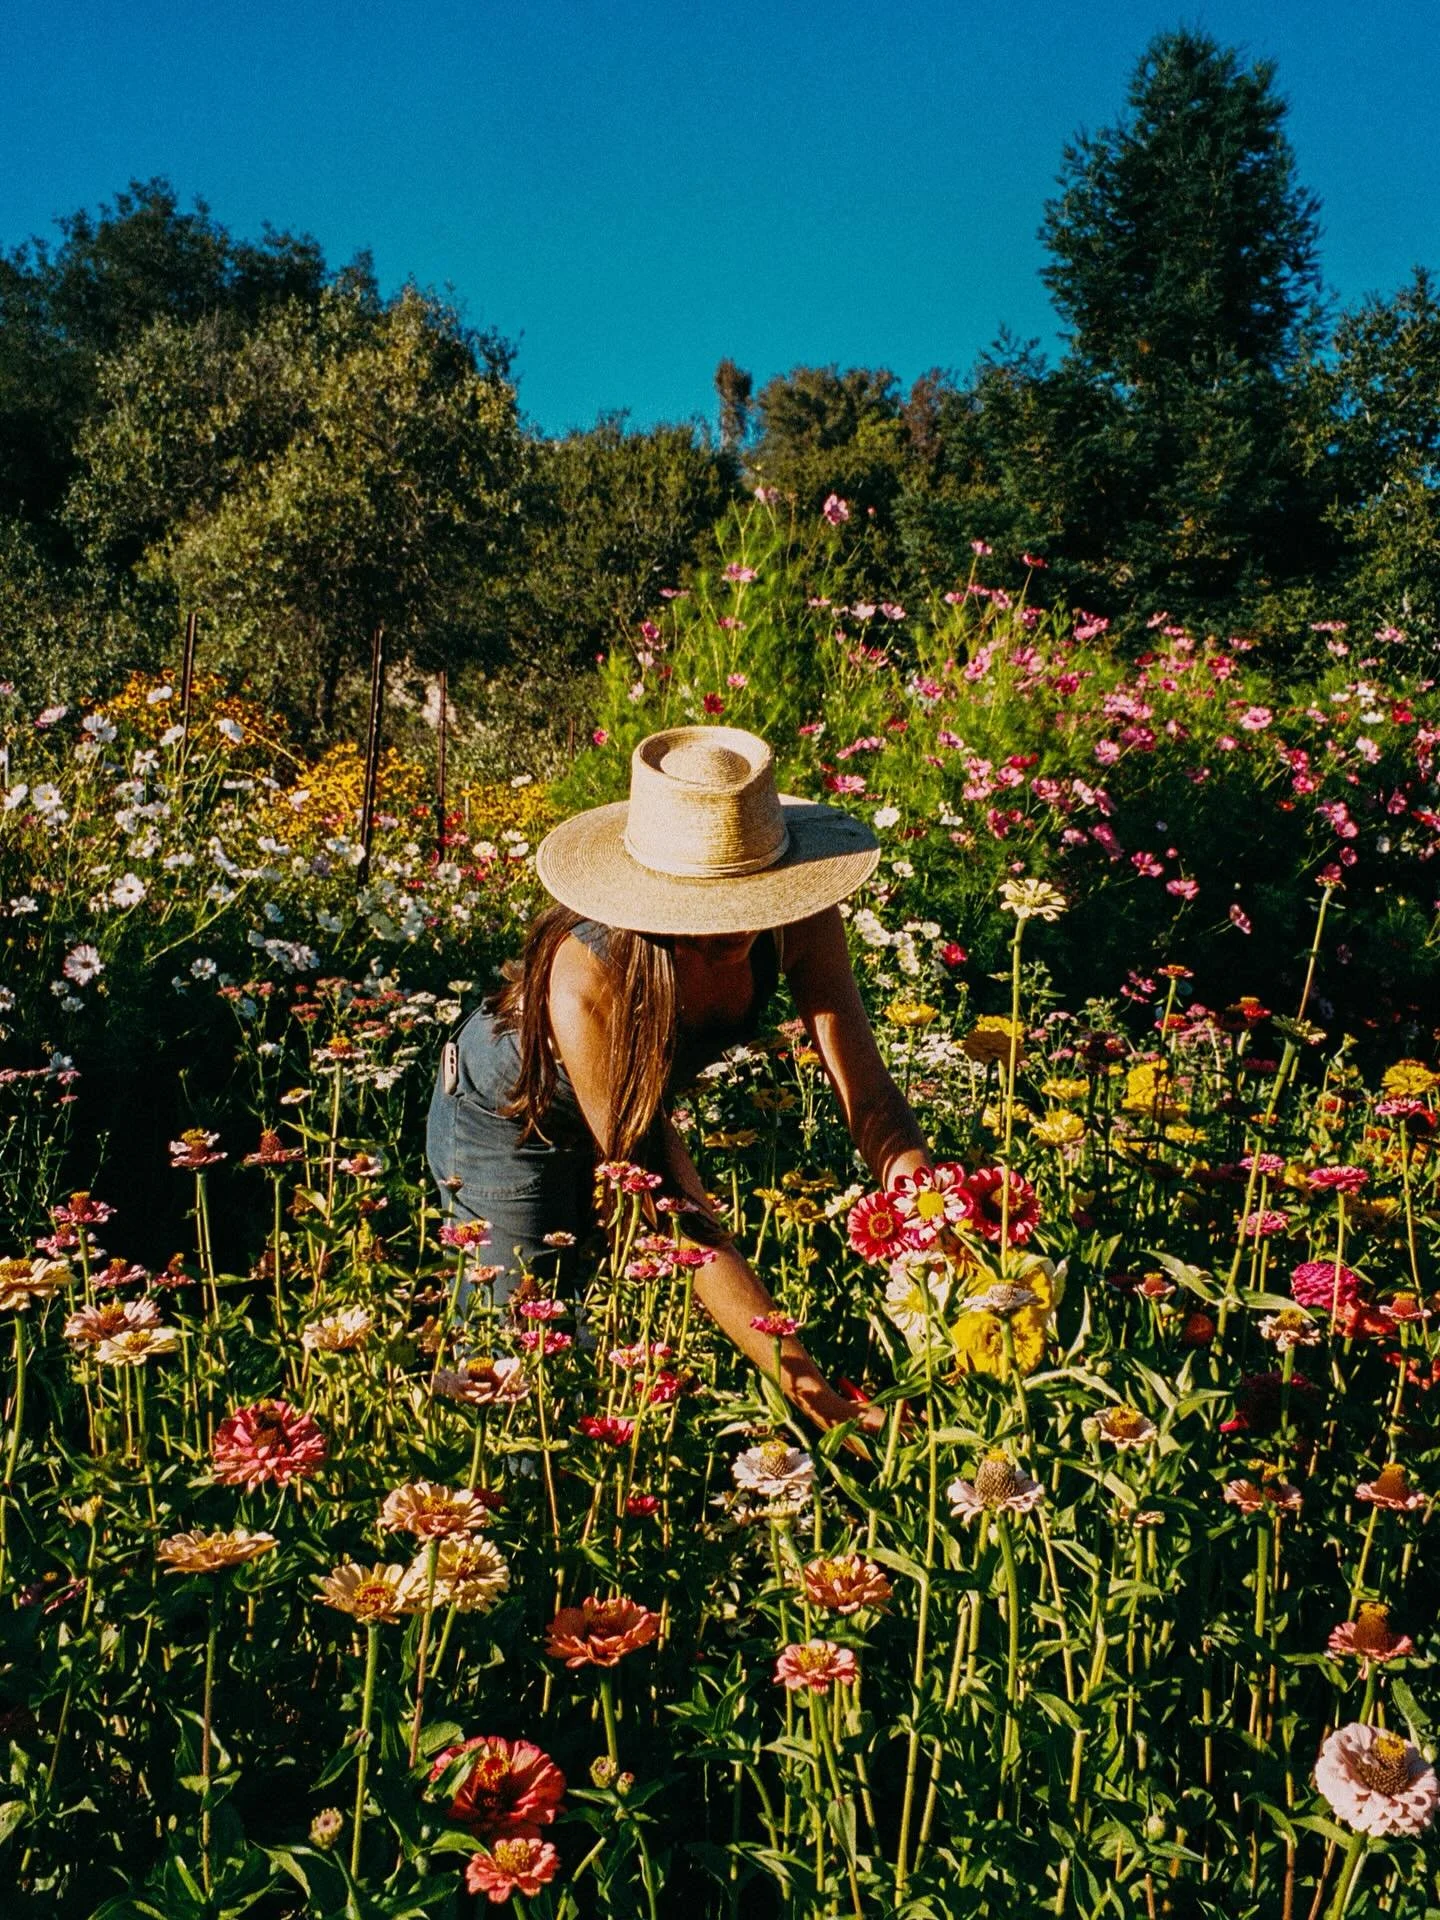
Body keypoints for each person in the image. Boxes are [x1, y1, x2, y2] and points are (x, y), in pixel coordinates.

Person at [426, 725, 933, 1433]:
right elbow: (664, 1208)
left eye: (751, 897)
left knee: (590, 1344)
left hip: (634, 1106)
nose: (730, 928)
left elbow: (871, 1099)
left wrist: (936, 1219)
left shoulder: (805, 919)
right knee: (517, 1362)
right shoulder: (589, 973)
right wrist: (816, 1396)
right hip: (512, 1117)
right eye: (702, 906)